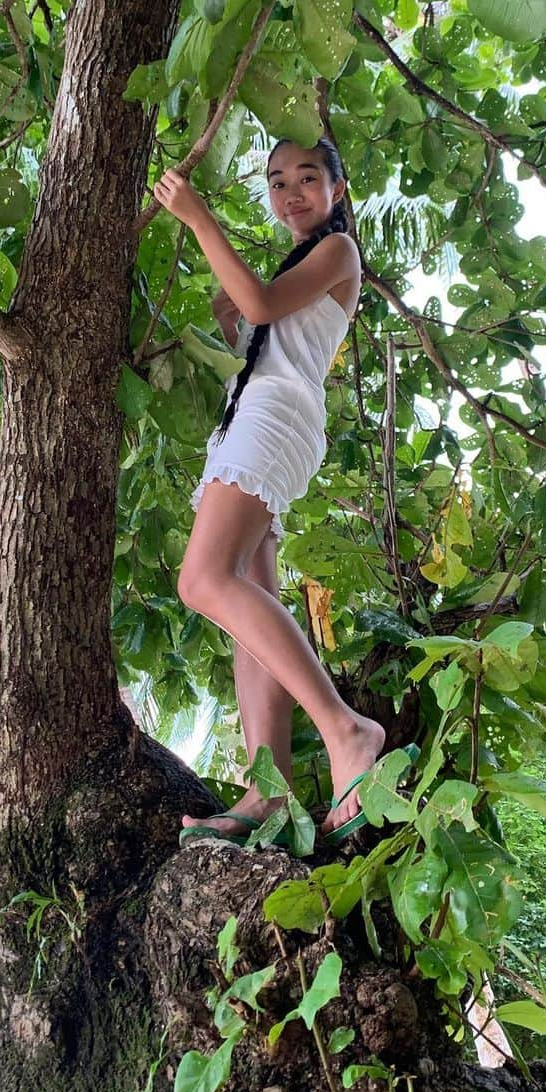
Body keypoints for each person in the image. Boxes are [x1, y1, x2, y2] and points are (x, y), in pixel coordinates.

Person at [151, 136, 387, 847]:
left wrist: (196, 218)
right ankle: (269, 789)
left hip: (274, 416)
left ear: (338, 191)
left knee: (204, 579)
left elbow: (257, 299)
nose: (291, 193)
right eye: (277, 180)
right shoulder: (303, 261)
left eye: (307, 178)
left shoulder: (339, 252)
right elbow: (256, 314)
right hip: (247, 416)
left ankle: (347, 729)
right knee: (247, 598)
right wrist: (235, 321)